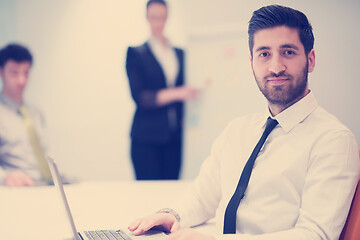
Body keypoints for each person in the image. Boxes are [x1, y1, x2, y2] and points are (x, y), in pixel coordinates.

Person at [127, 5, 359, 240]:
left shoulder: (333, 140)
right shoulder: (237, 130)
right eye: (264, 54)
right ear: (251, 63)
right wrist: (173, 215)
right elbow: (202, 197)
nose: (275, 67)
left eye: (288, 52)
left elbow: (315, 235)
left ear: (310, 60)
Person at [126, 0, 198, 180]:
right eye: (153, 17)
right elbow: (141, 98)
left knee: (171, 194)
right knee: (148, 196)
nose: (158, 22)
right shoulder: (135, 54)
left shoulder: (180, 54)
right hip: (146, 139)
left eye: (162, 17)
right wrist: (179, 93)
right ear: (147, 18)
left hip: (174, 139)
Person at [0, 43, 52, 187]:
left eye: (26, 72)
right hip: (17, 190)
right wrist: (4, 177)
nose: (21, 80)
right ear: (1, 72)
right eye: (14, 73)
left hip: (45, 186)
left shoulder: (36, 113)